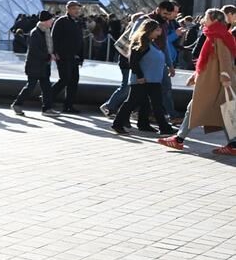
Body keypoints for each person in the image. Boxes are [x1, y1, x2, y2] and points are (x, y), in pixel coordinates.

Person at [158, 9, 236, 155]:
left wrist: (225, 77)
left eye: (206, 17)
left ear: (213, 19)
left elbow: (225, 58)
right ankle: (233, 144)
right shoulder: (214, 34)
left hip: (215, 83)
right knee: (225, 110)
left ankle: (179, 139)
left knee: (210, 109)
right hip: (211, 82)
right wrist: (195, 75)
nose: (203, 19)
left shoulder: (218, 36)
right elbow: (207, 60)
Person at [112, 20, 175, 135]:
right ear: (149, 30)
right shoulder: (141, 44)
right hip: (142, 80)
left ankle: (147, 125)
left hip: (153, 80)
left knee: (152, 104)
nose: (159, 33)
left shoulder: (152, 43)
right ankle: (117, 124)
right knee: (132, 102)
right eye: (157, 30)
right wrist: (140, 76)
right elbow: (133, 62)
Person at [11, 11, 60, 117]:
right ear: (45, 21)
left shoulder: (46, 32)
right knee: (30, 87)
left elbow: (48, 47)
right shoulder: (35, 33)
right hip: (34, 65)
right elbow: (35, 51)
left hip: (44, 65)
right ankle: (17, 104)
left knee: (46, 87)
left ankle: (47, 109)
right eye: (51, 20)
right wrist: (48, 56)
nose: (52, 22)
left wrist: (52, 54)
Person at [101, 11, 148, 117]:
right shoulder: (132, 31)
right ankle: (109, 106)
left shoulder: (131, 30)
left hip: (128, 63)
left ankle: (125, 109)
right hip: (126, 63)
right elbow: (122, 48)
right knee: (126, 87)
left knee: (129, 87)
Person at [49, 1, 85, 113]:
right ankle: (47, 97)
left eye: (78, 9)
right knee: (65, 79)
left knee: (74, 81)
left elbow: (81, 40)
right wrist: (54, 52)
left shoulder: (77, 22)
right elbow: (53, 37)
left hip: (75, 57)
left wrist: (81, 56)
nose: (77, 11)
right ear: (68, 9)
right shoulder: (61, 21)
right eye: (74, 8)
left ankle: (68, 106)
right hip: (63, 56)